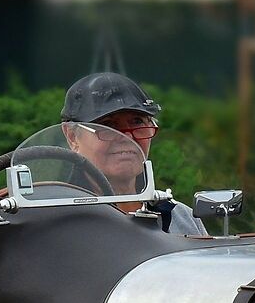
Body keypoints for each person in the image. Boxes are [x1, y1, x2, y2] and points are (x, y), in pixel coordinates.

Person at [59, 72, 204, 235]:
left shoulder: (182, 218)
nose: (126, 137)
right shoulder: (53, 221)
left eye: (137, 121)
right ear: (72, 137)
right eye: (107, 125)